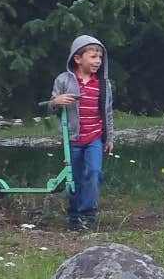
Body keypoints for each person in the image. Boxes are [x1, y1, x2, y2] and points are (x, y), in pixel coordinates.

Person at [48, 35, 116, 231]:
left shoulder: (103, 84)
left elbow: (108, 112)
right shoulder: (63, 80)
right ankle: (75, 215)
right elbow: (52, 106)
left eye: (100, 58)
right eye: (93, 57)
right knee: (75, 178)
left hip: (95, 137)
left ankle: (88, 213)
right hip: (73, 139)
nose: (97, 61)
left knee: (94, 172)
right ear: (78, 59)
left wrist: (109, 137)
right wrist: (56, 102)